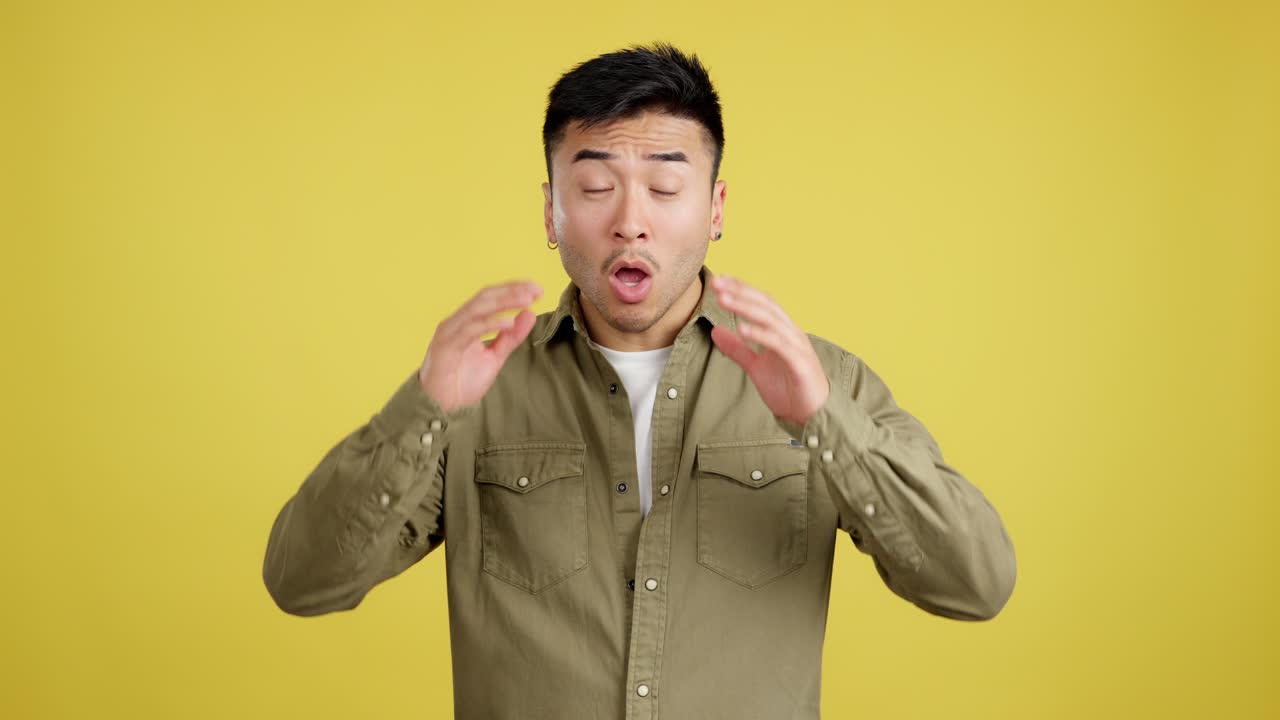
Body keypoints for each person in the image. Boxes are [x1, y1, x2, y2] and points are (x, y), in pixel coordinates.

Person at [262, 41, 1016, 720]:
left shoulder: (820, 378)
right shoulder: (472, 391)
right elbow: (303, 581)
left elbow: (975, 583)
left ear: (715, 208)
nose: (630, 222)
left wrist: (823, 420)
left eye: (664, 189)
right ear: (552, 213)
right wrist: (423, 410)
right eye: (594, 189)